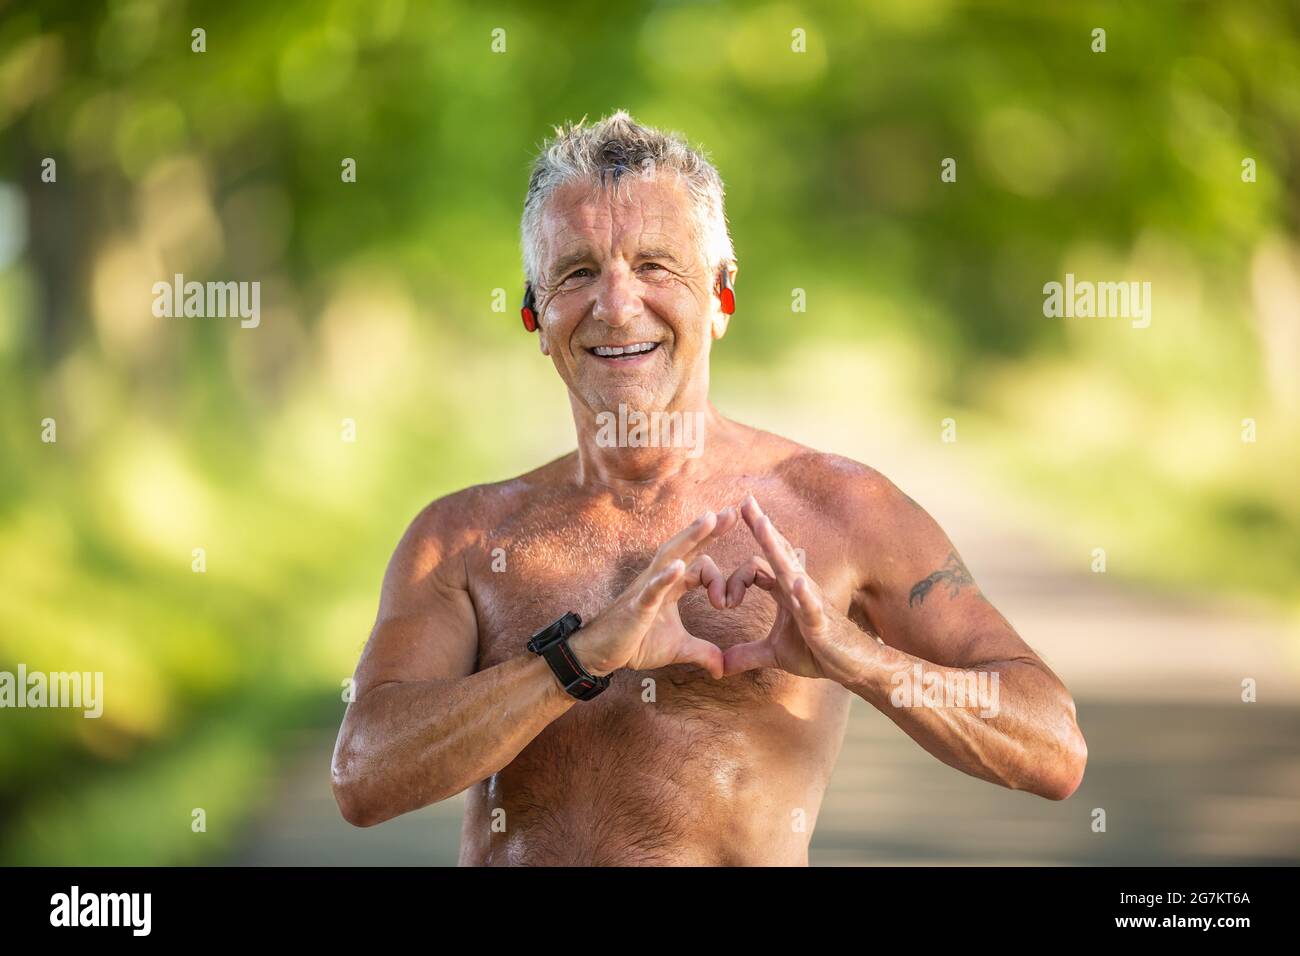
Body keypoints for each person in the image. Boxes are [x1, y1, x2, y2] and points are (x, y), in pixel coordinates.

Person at [330, 110, 1087, 865]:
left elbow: (1051, 746)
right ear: (535, 310)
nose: (617, 305)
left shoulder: (842, 510)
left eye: (656, 266)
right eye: (577, 272)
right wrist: (579, 660)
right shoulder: (463, 539)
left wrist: (857, 658)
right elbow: (364, 777)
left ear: (721, 297)